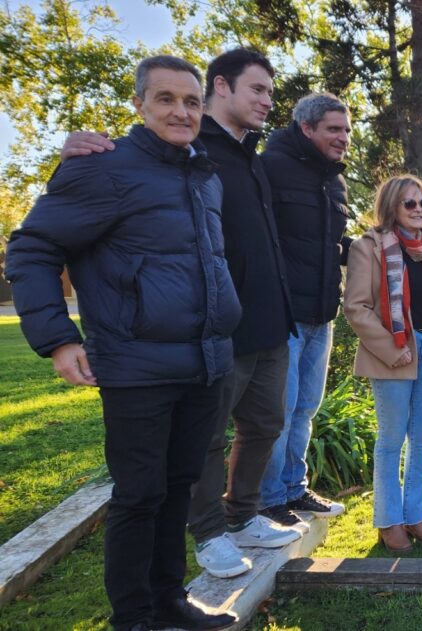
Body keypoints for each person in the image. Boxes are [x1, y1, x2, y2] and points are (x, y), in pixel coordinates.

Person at [6, 56, 239, 631]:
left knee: (179, 487)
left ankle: (170, 601)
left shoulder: (204, 176)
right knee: (139, 496)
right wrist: (58, 339)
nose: (181, 112)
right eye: (166, 99)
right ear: (139, 105)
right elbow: (32, 249)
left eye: (191, 101)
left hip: (204, 362)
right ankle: (133, 617)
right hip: (136, 365)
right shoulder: (101, 169)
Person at [59, 48, 302, 578]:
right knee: (205, 441)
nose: (267, 100)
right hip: (208, 334)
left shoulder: (250, 157)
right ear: (222, 87)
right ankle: (209, 532)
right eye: (257, 89)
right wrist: (75, 151)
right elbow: (114, 185)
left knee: (265, 424)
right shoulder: (190, 149)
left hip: (267, 323)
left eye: (270, 91)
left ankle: (244, 516)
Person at [343, 175, 422, 553]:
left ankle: (413, 516)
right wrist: (392, 350)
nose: (418, 209)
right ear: (391, 206)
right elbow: (356, 308)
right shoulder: (369, 248)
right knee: (392, 440)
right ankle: (388, 521)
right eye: (409, 203)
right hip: (393, 354)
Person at [257, 93, 352, 529]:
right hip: (283, 314)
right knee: (280, 410)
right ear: (306, 128)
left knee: (306, 408)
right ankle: (268, 499)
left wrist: (375, 249)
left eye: (346, 130)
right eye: (334, 129)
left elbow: (332, 244)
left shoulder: (334, 181)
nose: (343, 137)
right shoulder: (269, 167)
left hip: (322, 313)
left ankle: (294, 487)